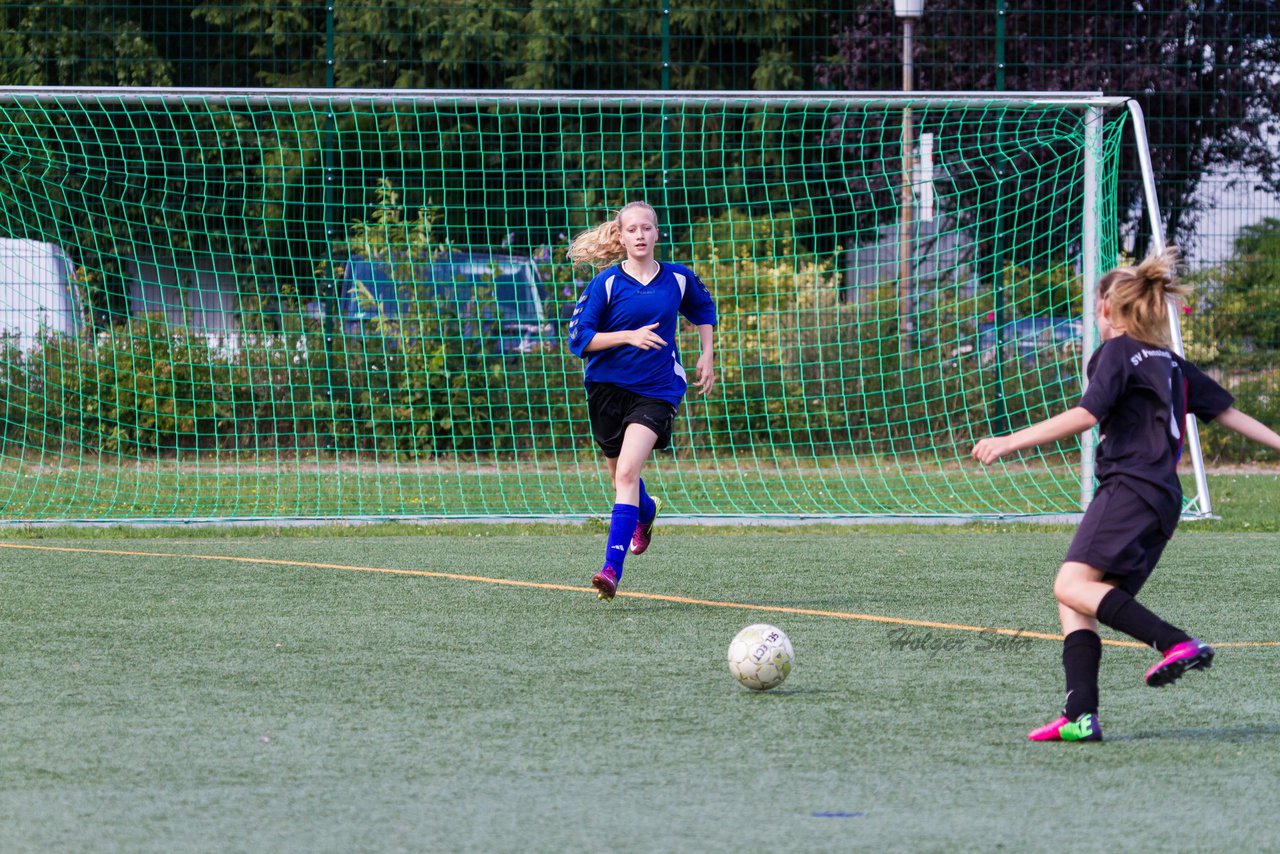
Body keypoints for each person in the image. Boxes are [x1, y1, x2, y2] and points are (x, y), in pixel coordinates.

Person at [971, 247, 1280, 742]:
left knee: (1069, 585)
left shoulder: (1115, 352)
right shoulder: (1170, 361)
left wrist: (1010, 441)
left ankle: (1175, 642)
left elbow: (1086, 415)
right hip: (1162, 498)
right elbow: (1226, 412)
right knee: (1079, 602)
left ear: (1107, 308)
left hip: (1130, 487)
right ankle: (1080, 716)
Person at [566, 201, 717, 601]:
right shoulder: (606, 284)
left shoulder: (678, 279)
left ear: (656, 233)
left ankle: (610, 571)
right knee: (620, 478)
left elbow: (703, 309)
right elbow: (580, 340)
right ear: (620, 235)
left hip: (658, 388)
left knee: (629, 471)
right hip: (606, 389)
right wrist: (628, 336)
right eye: (631, 229)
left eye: (646, 228)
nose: (639, 235)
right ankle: (646, 512)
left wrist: (707, 353)